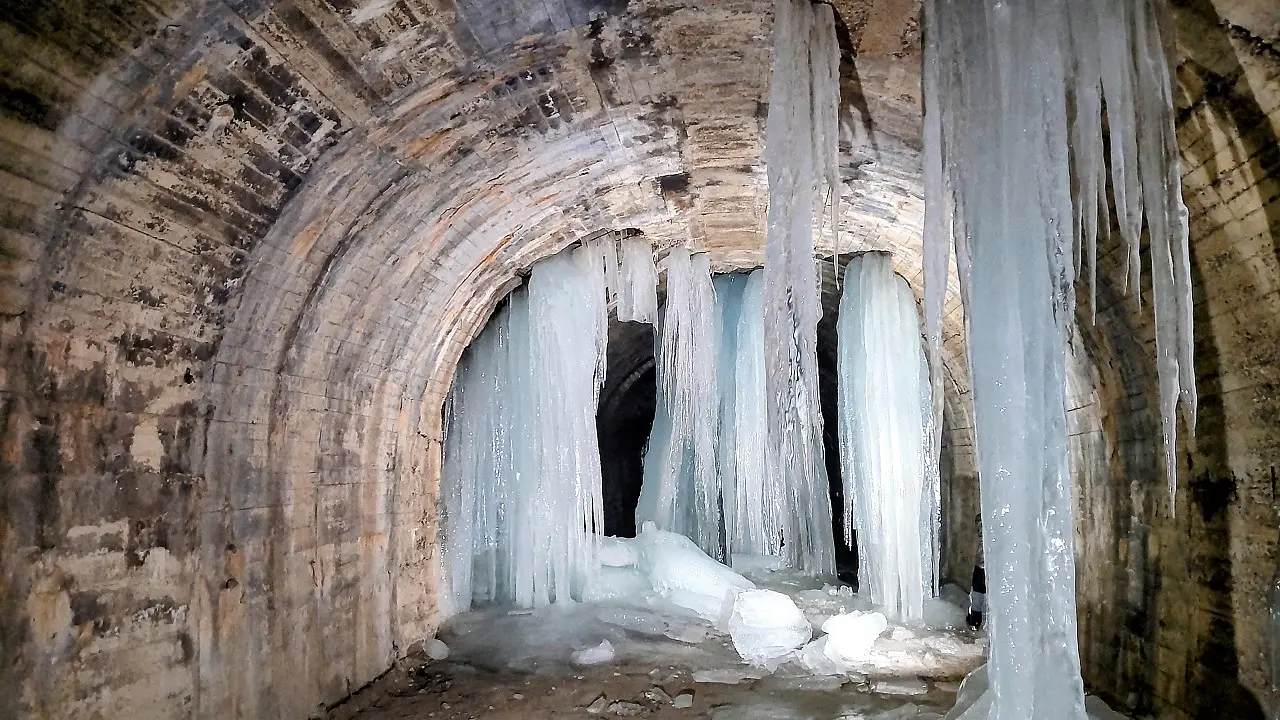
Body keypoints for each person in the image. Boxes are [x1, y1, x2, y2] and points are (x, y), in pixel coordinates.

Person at [967, 513, 985, 630]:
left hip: (982, 564)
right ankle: (975, 619)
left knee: (978, 594)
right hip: (981, 564)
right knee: (977, 594)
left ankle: (975, 620)